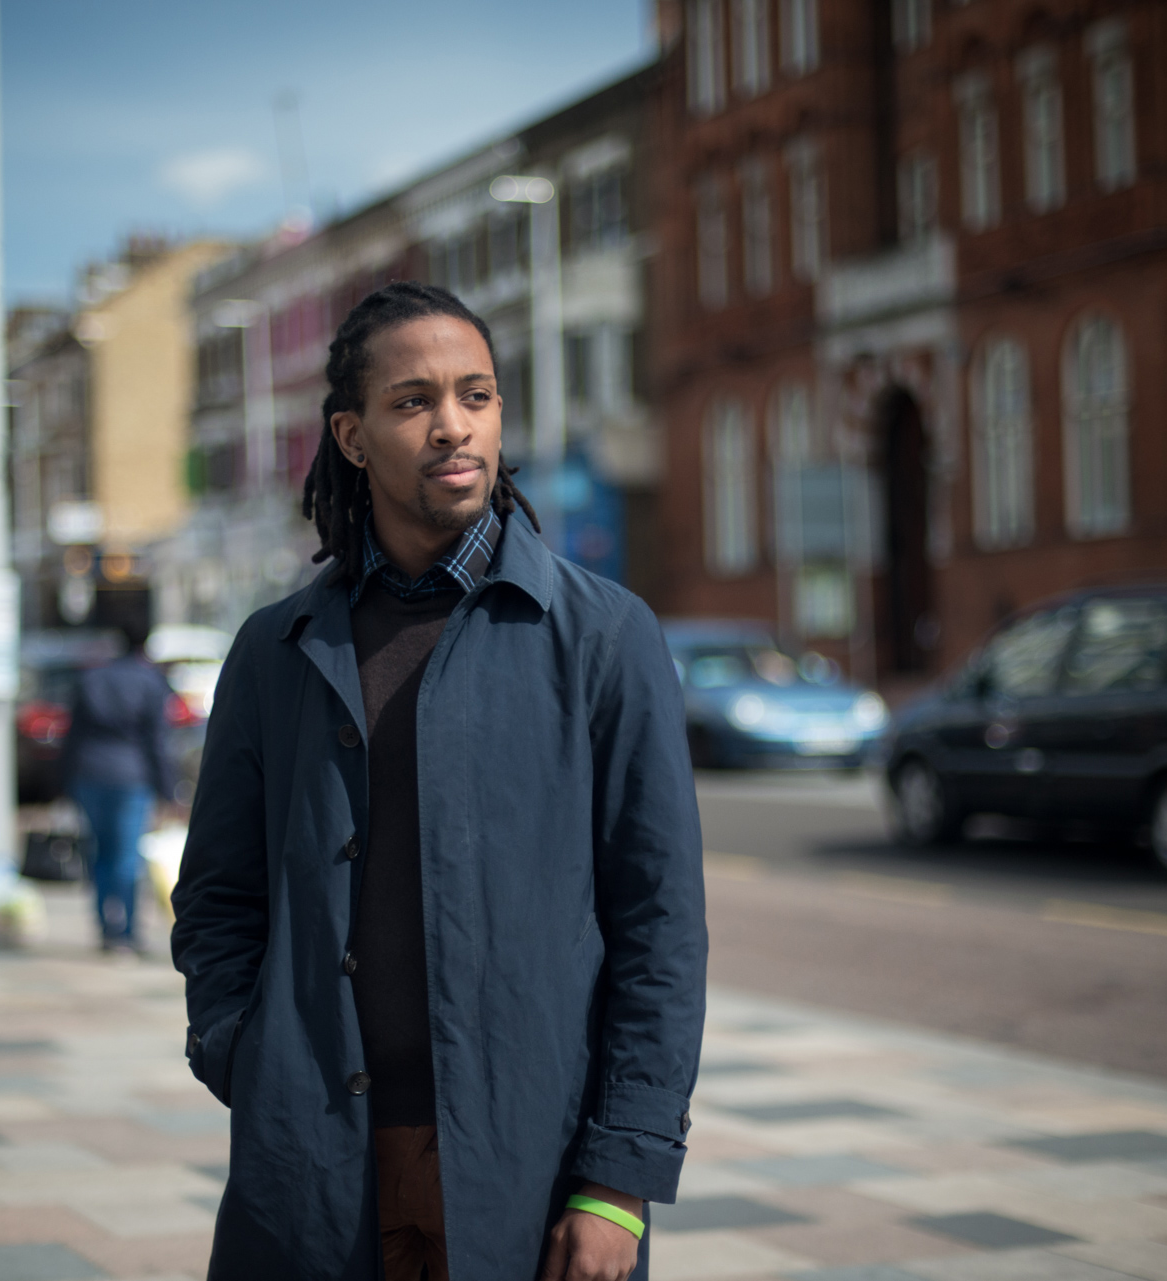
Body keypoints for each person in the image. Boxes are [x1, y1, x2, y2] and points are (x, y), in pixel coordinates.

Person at [171, 283, 706, 1281]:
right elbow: (216, 896)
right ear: (354, 436)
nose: (454, 425)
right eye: (413, 401)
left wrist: (619, 1181)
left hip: (531, 1171)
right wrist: (243, 1052)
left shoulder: (602, 637)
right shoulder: (275, 650)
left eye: (478, 395)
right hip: (314, 1172)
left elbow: (660, 926)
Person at [59, 617, 175, 955]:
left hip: (89, 773)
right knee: (126, 857)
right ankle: (125, 932)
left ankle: (103, 927)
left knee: (98, 853)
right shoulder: (150, 682)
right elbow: (157, 741)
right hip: (131, 776)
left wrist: (64, 780)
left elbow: (72, 734)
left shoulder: (91, 678)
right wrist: (168, 789)